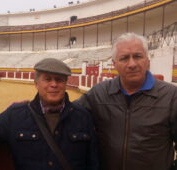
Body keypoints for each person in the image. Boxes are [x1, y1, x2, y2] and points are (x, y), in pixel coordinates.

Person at [76, 32, 177, 170]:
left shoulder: (171, 96)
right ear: (114, 64)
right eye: (124, 58)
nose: (132, 64)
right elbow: (69, 114)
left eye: (138, 56)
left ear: (147, 61)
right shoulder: (98, 93)